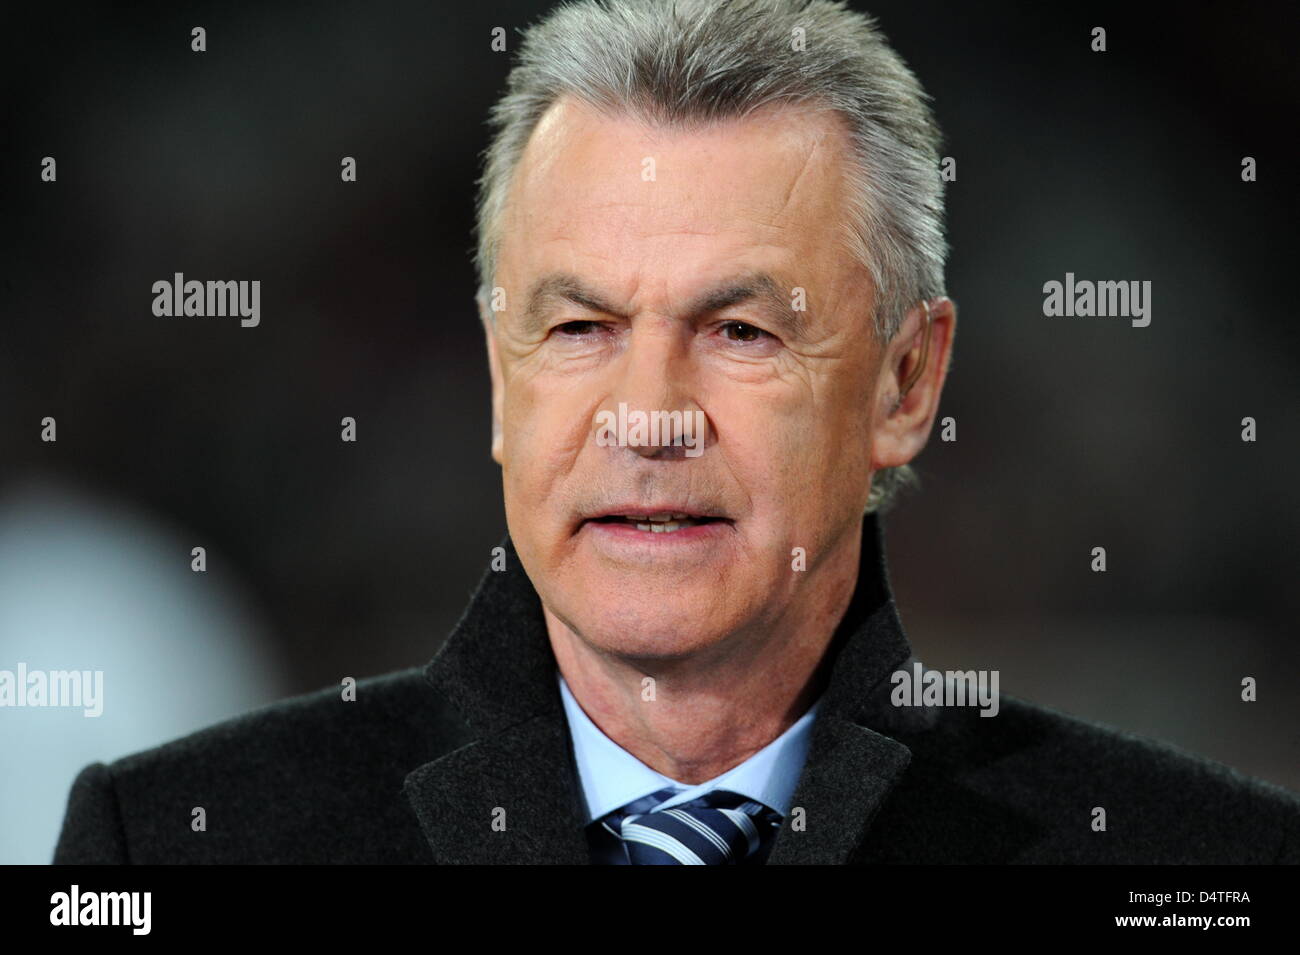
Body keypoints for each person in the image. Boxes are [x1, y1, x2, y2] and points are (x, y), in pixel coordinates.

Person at [54, 0, 1298, 865]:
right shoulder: (173, 845)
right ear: (500, 376)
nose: (648, 415)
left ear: (904, 384)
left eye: (742, 330)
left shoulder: (1201, 869)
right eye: (582, 328)